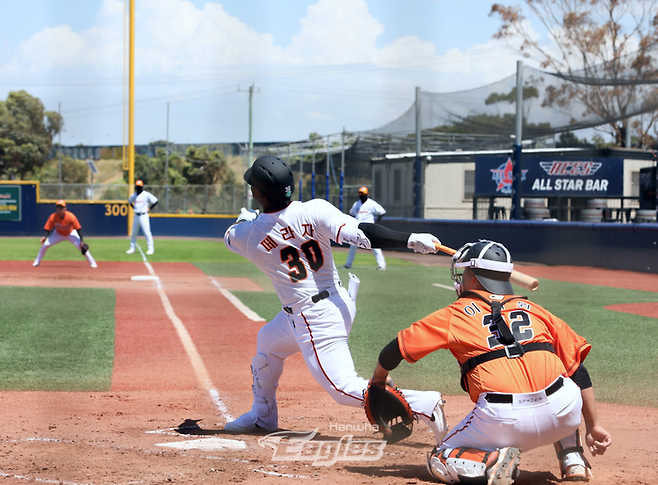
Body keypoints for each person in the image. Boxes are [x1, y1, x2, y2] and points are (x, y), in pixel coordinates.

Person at [223, 155, 448, 443]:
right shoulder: (315, 209)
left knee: (342, 389)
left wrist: (245, 218)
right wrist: (409, 238)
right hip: (338, 302)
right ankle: (262, 415)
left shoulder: (248, 234)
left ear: (257, 193)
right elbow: (362, 233)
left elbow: (231, 235)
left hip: (313, 317)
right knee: (268, 342)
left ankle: (425, 404)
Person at [370, 240, 611, 485]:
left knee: (439, 457)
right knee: (561, 377)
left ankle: (490, 461)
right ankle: (573, 459)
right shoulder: (536, 310)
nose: (461, 278)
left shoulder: (456, 313)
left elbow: (395, 349)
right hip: (565, 416)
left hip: (504, 423)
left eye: (464, 272)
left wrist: (379, 378)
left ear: (473, 277)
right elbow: (578, 371)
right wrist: (594, 427)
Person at [33, 200, 97, 268]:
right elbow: (48, 228)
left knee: (81, 246)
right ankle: (36, 262)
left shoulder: (71, 217)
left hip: (71, 233)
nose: (60, 209)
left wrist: (81, 240)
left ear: (65, 208)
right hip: (58, 234)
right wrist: (44, 236)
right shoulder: (53, 217)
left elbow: (78, 228)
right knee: (45, 245)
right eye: (58, 207)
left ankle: (92, 263)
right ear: (56, 208)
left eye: (61, 207)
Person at [343, 186, 387, 270]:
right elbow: (351, 214)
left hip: (369, 228)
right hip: (358, 228)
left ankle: (382, 265)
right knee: (353, 245)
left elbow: (382, 212)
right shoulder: (357, 204)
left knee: (375, 245)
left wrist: (376, 223)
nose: (361, 195)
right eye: (360, 193)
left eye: (363, 193)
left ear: (367, 194)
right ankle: (348, 264)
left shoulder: (371, 203)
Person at [126, 180, 158, 255]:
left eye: (139, 187)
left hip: (144, 215)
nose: (138, 188)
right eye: (137, 187)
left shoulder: (146, 194)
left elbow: (155, 201)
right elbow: (129, 201)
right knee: (134, 232)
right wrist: (134, 208)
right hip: (136, 215)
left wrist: (150, 208)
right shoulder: (134, 195)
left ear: (142, 187)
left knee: (147, 232)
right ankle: (132, 248)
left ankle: (151, 249)